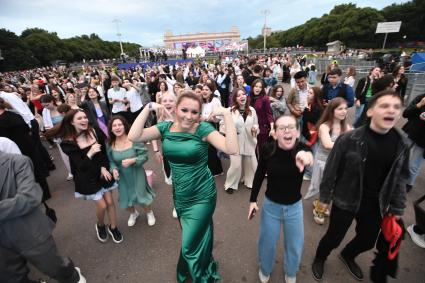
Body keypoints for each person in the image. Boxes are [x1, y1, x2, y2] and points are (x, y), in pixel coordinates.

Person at [128, 91, 238, 283]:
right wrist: (148, 108)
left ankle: (200, 278)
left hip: (202, 195)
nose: (188, 115)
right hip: (180, 195)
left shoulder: (203, 129)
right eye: (184, 110)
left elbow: (231, 149)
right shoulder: (165, 127)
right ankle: (201, 264)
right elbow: (134, 135)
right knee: (196, 238)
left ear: (199, 114)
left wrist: (227, 115)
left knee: (188, 245)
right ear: (176, 109)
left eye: (194, 112)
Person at [311, 90, 410, 281]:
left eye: (396, 107)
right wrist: (324, 199)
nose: (391, 110)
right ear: (370, 111)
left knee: (367, 241)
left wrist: (397, 207)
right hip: (345, 199)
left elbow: (400, 179)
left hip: (376, 204)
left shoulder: (401, 143)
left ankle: (348, 255)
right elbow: (331, 171)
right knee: (333, 237)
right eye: (384, 106)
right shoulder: (348, 139)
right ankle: (320, 258)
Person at [0, 150, 86, 283]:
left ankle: (73, 276)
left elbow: (30, 197)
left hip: (29, 232)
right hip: (3, 246)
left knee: (56, 268)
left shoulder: (17, 161)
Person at [248, 115, 313, 283]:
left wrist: (307, 158)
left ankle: (291, 271)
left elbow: (309, 156)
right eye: (282, 128)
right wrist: (252, 200)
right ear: (275, 134)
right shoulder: (267, 149)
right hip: (271, 206)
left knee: (294, 244)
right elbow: (259, 174)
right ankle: (265, 268)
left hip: (294, 207)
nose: (287, 131)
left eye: (291, 127)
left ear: (298, 132)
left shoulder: (303, 149)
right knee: (267, 242)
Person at [59, 109, 123, 244]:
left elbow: (103, 154)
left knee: (110, 202)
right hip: (86, 177)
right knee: (102, 205)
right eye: (79, 118)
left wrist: (104, 167)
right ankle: (100, 225)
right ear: (71, 122)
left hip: (101, 172)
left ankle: (113, 227)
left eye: (85, 117)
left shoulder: (95, 131)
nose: (84, 120)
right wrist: (90, 153)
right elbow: (81, 166)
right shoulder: (68, 142)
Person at [304, 98, 351, 224]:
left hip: (338, 162)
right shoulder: (324, 126)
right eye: (340, 109)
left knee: (332, 187)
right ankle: (319, 209)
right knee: (324, 187)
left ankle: (320, 205)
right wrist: (347, 143)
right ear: (332, 110)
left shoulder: (346, 126)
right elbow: (327, 144)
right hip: (323, 161)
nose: (344, 111)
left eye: (345, 108)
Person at [107, 116, 156, 227]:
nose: (117, 127)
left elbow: (145, 156)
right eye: (114, 125)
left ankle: (149, 212)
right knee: (125, 199)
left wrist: (133, 160)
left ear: (125, 126)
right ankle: (134, 213)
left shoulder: (134, 139)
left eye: (120, 124)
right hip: (122, 176)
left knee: (142, 196)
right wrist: (113, 169)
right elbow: (110, 161)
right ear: (111, 129)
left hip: (137, 173)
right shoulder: (110, 144)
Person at [223, 87, 258, 194]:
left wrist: (255, 128)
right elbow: (223, 125)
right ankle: (230, 184)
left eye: (243, 94)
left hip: (249, 140)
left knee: (250, 163)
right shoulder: (230, 111)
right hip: (235, 141)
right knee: (235, 165)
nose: (242, 96)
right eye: (238, 95)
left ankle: (250, 181)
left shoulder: (252, 110)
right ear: (235, 98)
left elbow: (256, 123)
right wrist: (229, 132)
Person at [402, 93, 425, 193]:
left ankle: (408, 183)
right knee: (399, 157)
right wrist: (419, 104)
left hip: (423, 142)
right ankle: (395, 178)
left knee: (413, 165)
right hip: (410, 133)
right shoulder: (421, 97)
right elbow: (406, 113)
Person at [250, 79, 274, 156]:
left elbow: (269, 113)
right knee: (252, 149)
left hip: (262, 129)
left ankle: (262, 167)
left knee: (262, 150)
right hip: (250, 128)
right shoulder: (248, 97)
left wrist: (272, 128)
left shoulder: (265, 98)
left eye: (260, 87)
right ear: (253, 87)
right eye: (256, 86)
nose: (258, 88)